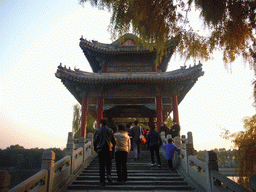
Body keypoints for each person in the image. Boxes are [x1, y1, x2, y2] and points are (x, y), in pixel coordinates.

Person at [93, 119, 116, 187]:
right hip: (109, 149)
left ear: (100, 123)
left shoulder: (97, 131)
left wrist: (95, 148)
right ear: (107, 123)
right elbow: (113, 141)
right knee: (108, 164)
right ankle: (109, 175)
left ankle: (102, 181)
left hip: (100, 150)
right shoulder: (110, 130)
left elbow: (95, 141)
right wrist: (113, 146)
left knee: (101, 165)